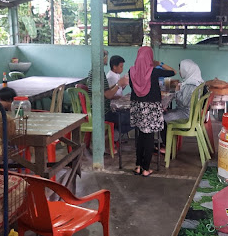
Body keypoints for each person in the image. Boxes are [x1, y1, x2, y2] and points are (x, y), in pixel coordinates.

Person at [128, 47, 176, 177]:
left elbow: (133, 88)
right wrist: (159, 63)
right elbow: (173, 72)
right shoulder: (154, 72)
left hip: (137, 107)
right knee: (149, 137)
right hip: (151, 108)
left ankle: (138, 166)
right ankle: (146, 169)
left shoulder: (131, 71)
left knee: (140, 136)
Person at [159, 59, 204, 150]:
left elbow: (184, 102)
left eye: (180, 69)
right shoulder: (194, 81)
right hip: (189, 113)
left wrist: (176, 90)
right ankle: (169, 144)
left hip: (187, 115)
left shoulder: (191, 85)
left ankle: (168, 147)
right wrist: (175, 86)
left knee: (161, 118)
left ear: (187, 70)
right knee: (164, 113)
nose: (179, 72)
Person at [87, 50, 129, 122]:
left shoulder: (96, 71)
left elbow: (106, 90)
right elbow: (108, 95)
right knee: (130, 116)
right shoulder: (98, 73)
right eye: (106, 56)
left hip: (102, 109)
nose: (107, 58)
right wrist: (118, 85)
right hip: (103, 112)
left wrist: (119, 84)